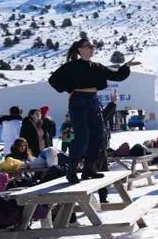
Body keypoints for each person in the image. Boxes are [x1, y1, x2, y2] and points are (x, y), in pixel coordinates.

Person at [49, 39, 138, 183]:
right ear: (80, 49)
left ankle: (89, 169)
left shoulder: (97, 67)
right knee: (82, 137)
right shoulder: (71, 66)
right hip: (78, 100)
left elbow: (117, 76)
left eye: (92, 47)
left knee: (98, 137)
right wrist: (70, 89)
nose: (91, 49)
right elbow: (53, 80)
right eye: (88, 47)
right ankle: (71, 170)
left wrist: (126, 66)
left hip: (93, 100)